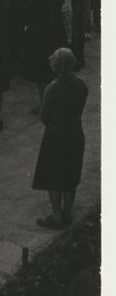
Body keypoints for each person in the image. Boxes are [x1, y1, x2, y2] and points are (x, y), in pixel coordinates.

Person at [32, 48, 89, 230]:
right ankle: (67, 213)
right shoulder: (81, 85)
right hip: (75, 133)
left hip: (55, 135)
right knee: (70, 175)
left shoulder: (53, 87)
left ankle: (56, 216)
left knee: (53, 175)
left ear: (55, 66)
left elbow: (43, 116)